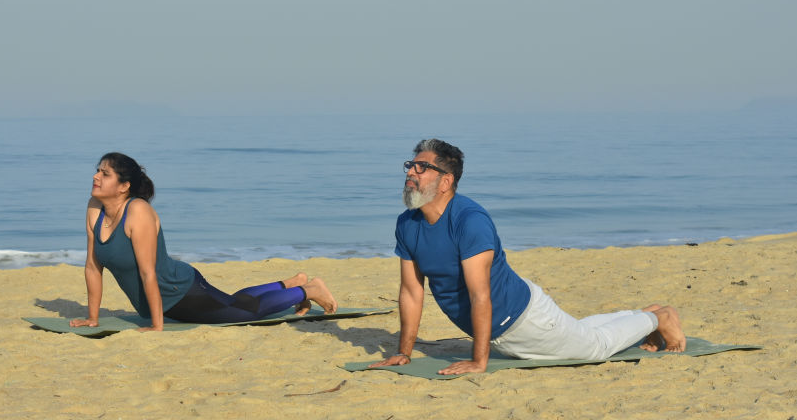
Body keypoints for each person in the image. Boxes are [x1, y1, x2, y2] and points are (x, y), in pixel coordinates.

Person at [371, 139, 685, 375]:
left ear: (446, 181)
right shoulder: (407, 224)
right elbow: (411, 292)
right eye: (410, 166)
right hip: (511, 324)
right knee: (581, 331)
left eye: (421, 167)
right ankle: (647, 314)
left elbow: (480, 296)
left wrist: (479, 361)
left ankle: (660, 318)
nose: (411, 172)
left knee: (595, 347)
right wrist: (404, 353)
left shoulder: (469, 221)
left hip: (524, 321)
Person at [70, 152, 337, 331]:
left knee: (244, 315)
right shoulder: (95, 207)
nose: (96, 177)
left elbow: (147, 272)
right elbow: (93, 266)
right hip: (166, 295)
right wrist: (92, 318)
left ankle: (309, 291)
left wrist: (157, 325)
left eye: (105, 174)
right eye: (98, 171)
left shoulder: (138, 212)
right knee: (235, 302)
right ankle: (293, 282)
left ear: (123, 186)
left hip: (179, 290)